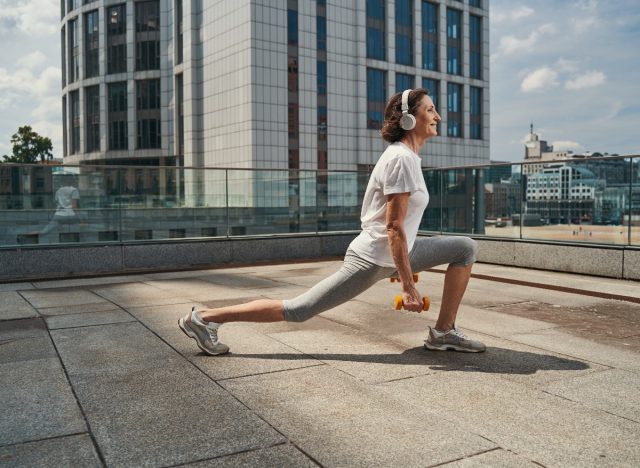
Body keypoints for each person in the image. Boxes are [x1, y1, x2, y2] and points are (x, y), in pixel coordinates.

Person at [179, 88, 486, 355]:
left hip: (395, 254)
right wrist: (407, 285)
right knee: (299, 310)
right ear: (408, 119)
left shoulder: (408, 157)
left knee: (463, 248)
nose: (438, 116)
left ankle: (444, 332)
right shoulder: (400, 160)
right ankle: (205, 318)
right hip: (371, 258)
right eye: (430, 110)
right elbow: (393, 227)